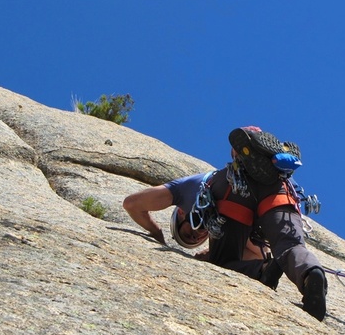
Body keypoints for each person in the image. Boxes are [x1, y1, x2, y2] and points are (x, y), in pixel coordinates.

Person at [123, 126, 327, 321]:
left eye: (186, 233)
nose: (195, 236)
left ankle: (250, 154)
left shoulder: (186, 190)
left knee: (224, 262)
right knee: (290, 246)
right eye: (197, 239)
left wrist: (156, 231)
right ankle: (310, 273)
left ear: (182, 213)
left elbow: (132, 204)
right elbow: (261, 254)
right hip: (278, 189)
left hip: (231, 193)